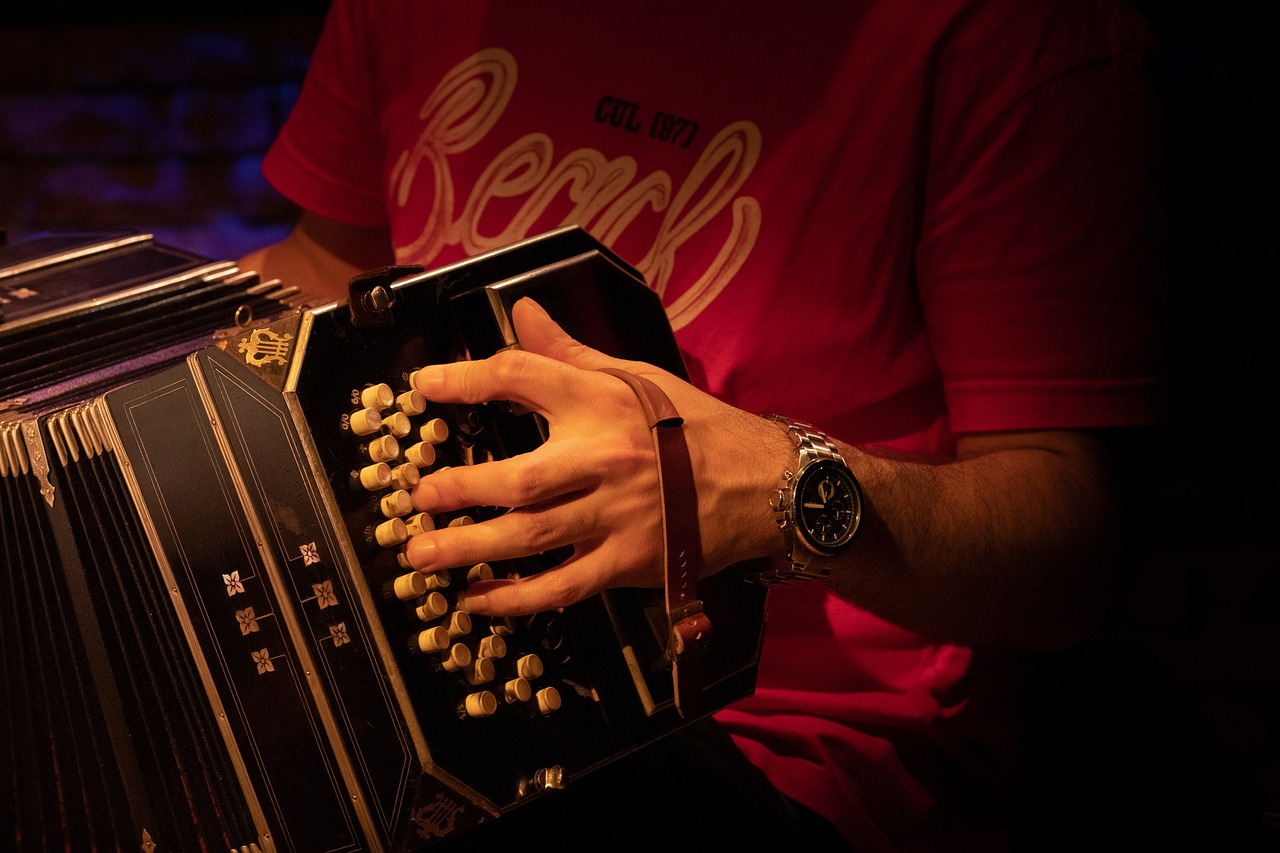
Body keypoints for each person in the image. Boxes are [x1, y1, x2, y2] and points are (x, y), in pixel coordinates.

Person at [239, 0, 1162, 849]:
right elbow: (329, 265)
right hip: (418, 679)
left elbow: (1070, 551)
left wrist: (770, 485)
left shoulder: (1001, 32)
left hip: (785, 757)